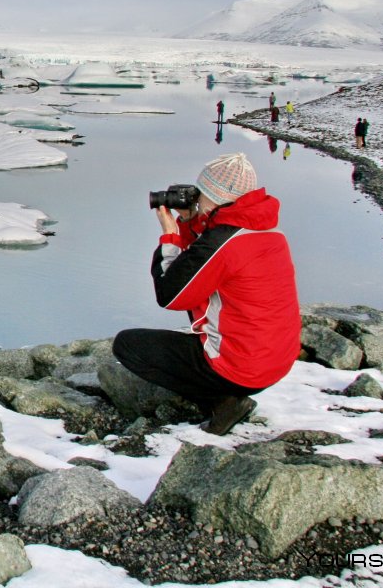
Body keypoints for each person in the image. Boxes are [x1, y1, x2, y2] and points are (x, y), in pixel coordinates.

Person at [112, 152, 301, 435]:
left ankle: (223, 402)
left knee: (127, 345)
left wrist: (171, 235)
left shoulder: (224, 243)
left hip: (241, 367)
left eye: (200, 194)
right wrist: (191, 223)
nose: (195, 199)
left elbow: (171, 294)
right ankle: (226, 396)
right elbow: (202, 265)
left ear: (213, 196)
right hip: (276, 360)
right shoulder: (267, 229)